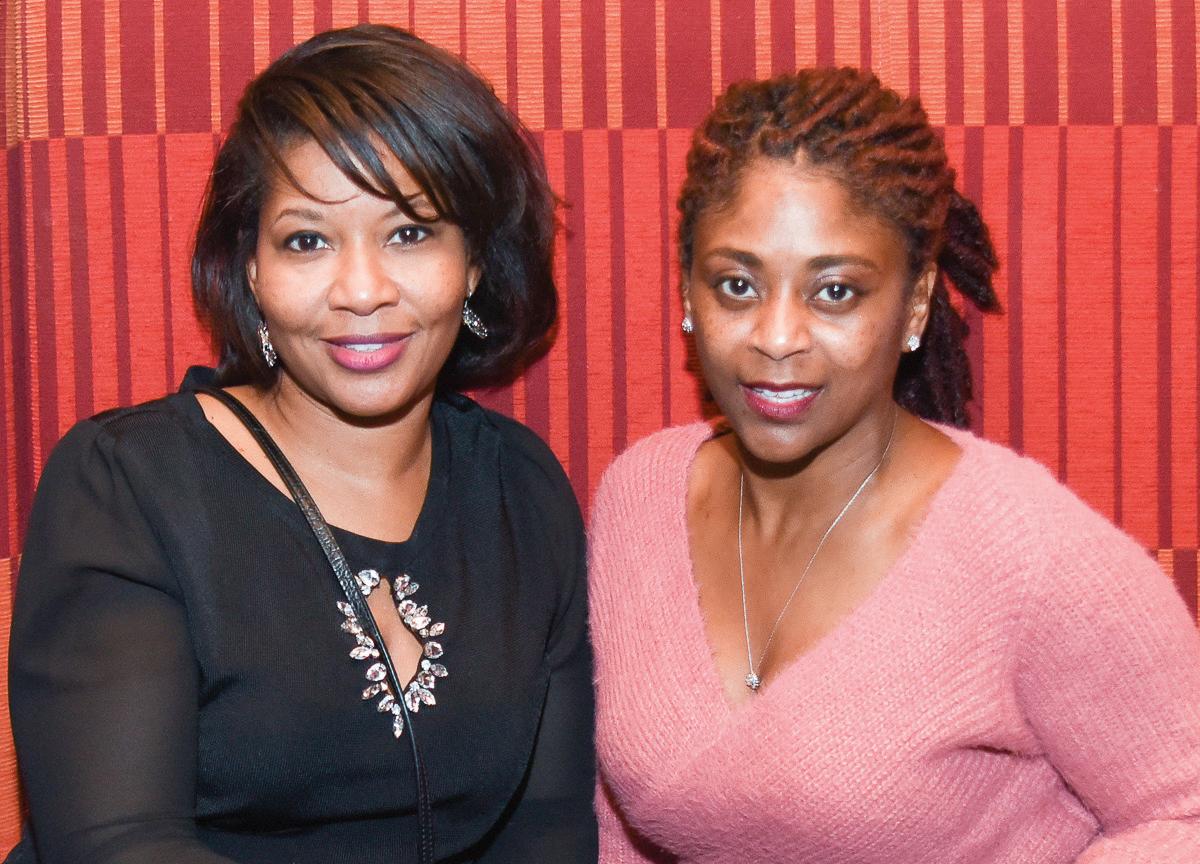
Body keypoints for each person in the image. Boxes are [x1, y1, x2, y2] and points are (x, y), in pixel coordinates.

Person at [8, 24, 596, 864]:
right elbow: (120, 845)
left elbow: (547, 832)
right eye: (308, 240)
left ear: (473, 262)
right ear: (252, 269)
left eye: (410, 232)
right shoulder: (129, 487)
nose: (361, 290)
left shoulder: (522, 491)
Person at [589, 67, 1200, 862]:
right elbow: (620, 826)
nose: (777, 337)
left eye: (835, 292)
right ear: (687, 292)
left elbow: (1185, 812)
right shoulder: (639, 497)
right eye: (737, 285)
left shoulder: (1027, 554)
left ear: (913, 304)